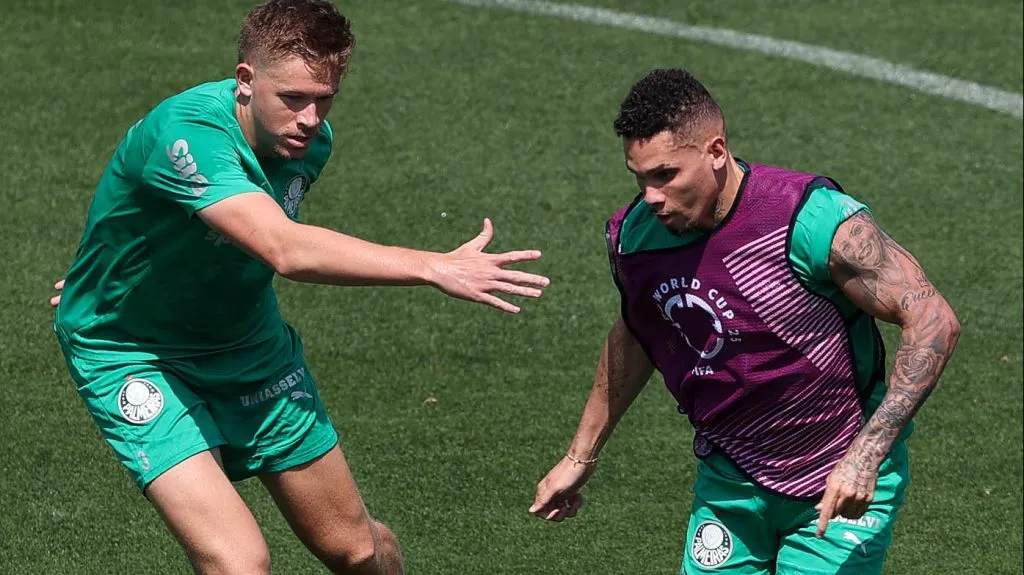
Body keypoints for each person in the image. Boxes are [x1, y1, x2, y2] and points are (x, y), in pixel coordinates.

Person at [49, 1, 549, 574]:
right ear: (245, 81)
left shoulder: (310, 144)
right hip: (134, 353)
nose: (311, 118)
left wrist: (116, 272)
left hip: (248, 345)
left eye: (325, 98)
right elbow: (282, 247)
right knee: (239, 561)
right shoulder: (186, 134)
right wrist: (432, 265)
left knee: (358, 549)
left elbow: (210, 231)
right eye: (293, 98)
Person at [528, 68, 959, 574]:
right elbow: (639, 331)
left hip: (839, 464)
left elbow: (933, 319)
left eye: (666, 175)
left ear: (716, 152)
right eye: (639, 177)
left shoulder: (808, 219)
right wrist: (581, 457)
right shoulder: (638, 239)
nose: (650, 196)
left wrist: (867, 453)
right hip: (731, 475)